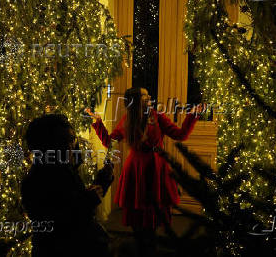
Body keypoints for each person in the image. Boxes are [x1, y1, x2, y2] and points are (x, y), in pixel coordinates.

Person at [85, 87, 205, 257]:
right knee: (138, 219)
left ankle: (149, 247)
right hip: (136, 169)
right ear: (135, 100)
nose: (149, 96)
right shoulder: (127, 120)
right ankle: (143, 246)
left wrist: (192, 115)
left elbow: (180, 135)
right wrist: (98, 123)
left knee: (153, 218)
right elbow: (109, 142)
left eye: (148, 94)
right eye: (144, 95)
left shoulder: (157, 116)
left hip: (156, 168)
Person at [21, 114, 112, 257]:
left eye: (72, 140)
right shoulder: (37, 181)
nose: (72, 146)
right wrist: (88, 201)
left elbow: (79, 203)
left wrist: (102, 181)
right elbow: (57, 225)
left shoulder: (65, 171)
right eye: (66, 141)